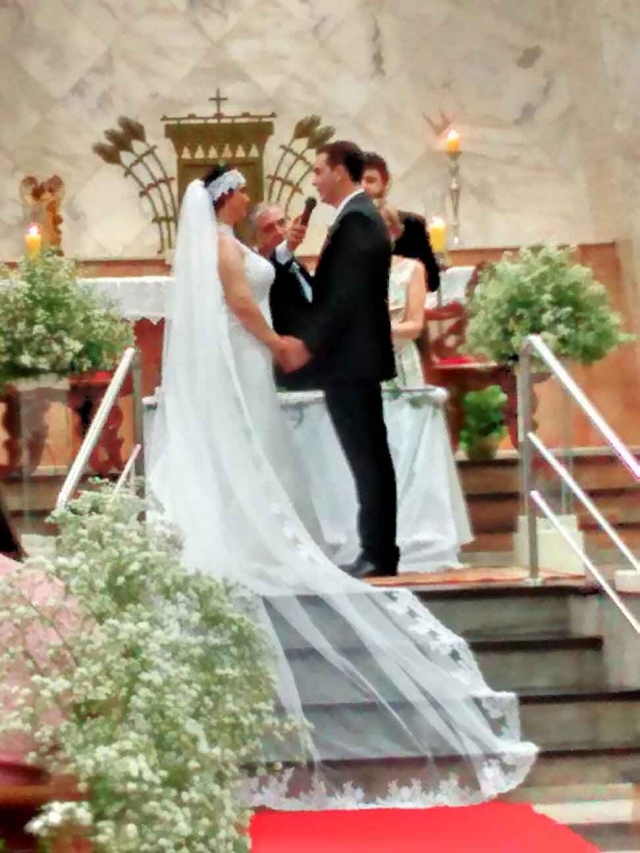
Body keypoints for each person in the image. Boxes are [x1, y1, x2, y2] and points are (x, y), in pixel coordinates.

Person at [148, 161, 536, 811]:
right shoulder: (218, 245)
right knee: (243, 447)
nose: (249, 197)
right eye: (241, 191)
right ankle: (244, 535)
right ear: (224, 196)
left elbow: (263, 281)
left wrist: (276, 262)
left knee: (261, 450)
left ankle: (257, 531)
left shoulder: (234, 241)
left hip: (251, 358)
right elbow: (240, 301)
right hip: (244, 354)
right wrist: (278, 343)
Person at [252, 202, 314, 390]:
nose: (278, 231)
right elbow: (276, 263)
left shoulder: (295, 264)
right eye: (269, 228)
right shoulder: (261, 270)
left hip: (317, 361)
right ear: (257, 236)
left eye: (281, 223)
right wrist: (287, 247)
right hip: (291, 367)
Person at [362, 151, 441, 293]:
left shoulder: (412, 225)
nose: (363, 187)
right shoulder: (342, 227)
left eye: (370, 181)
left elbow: (432, 281)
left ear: (386, 185)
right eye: (357, 181)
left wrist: (397, 232)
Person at [378, 202, 427, 387]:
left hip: (400, 361)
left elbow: (415, 326)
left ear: (394, 232)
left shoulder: (412, 270)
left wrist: (377, 330)